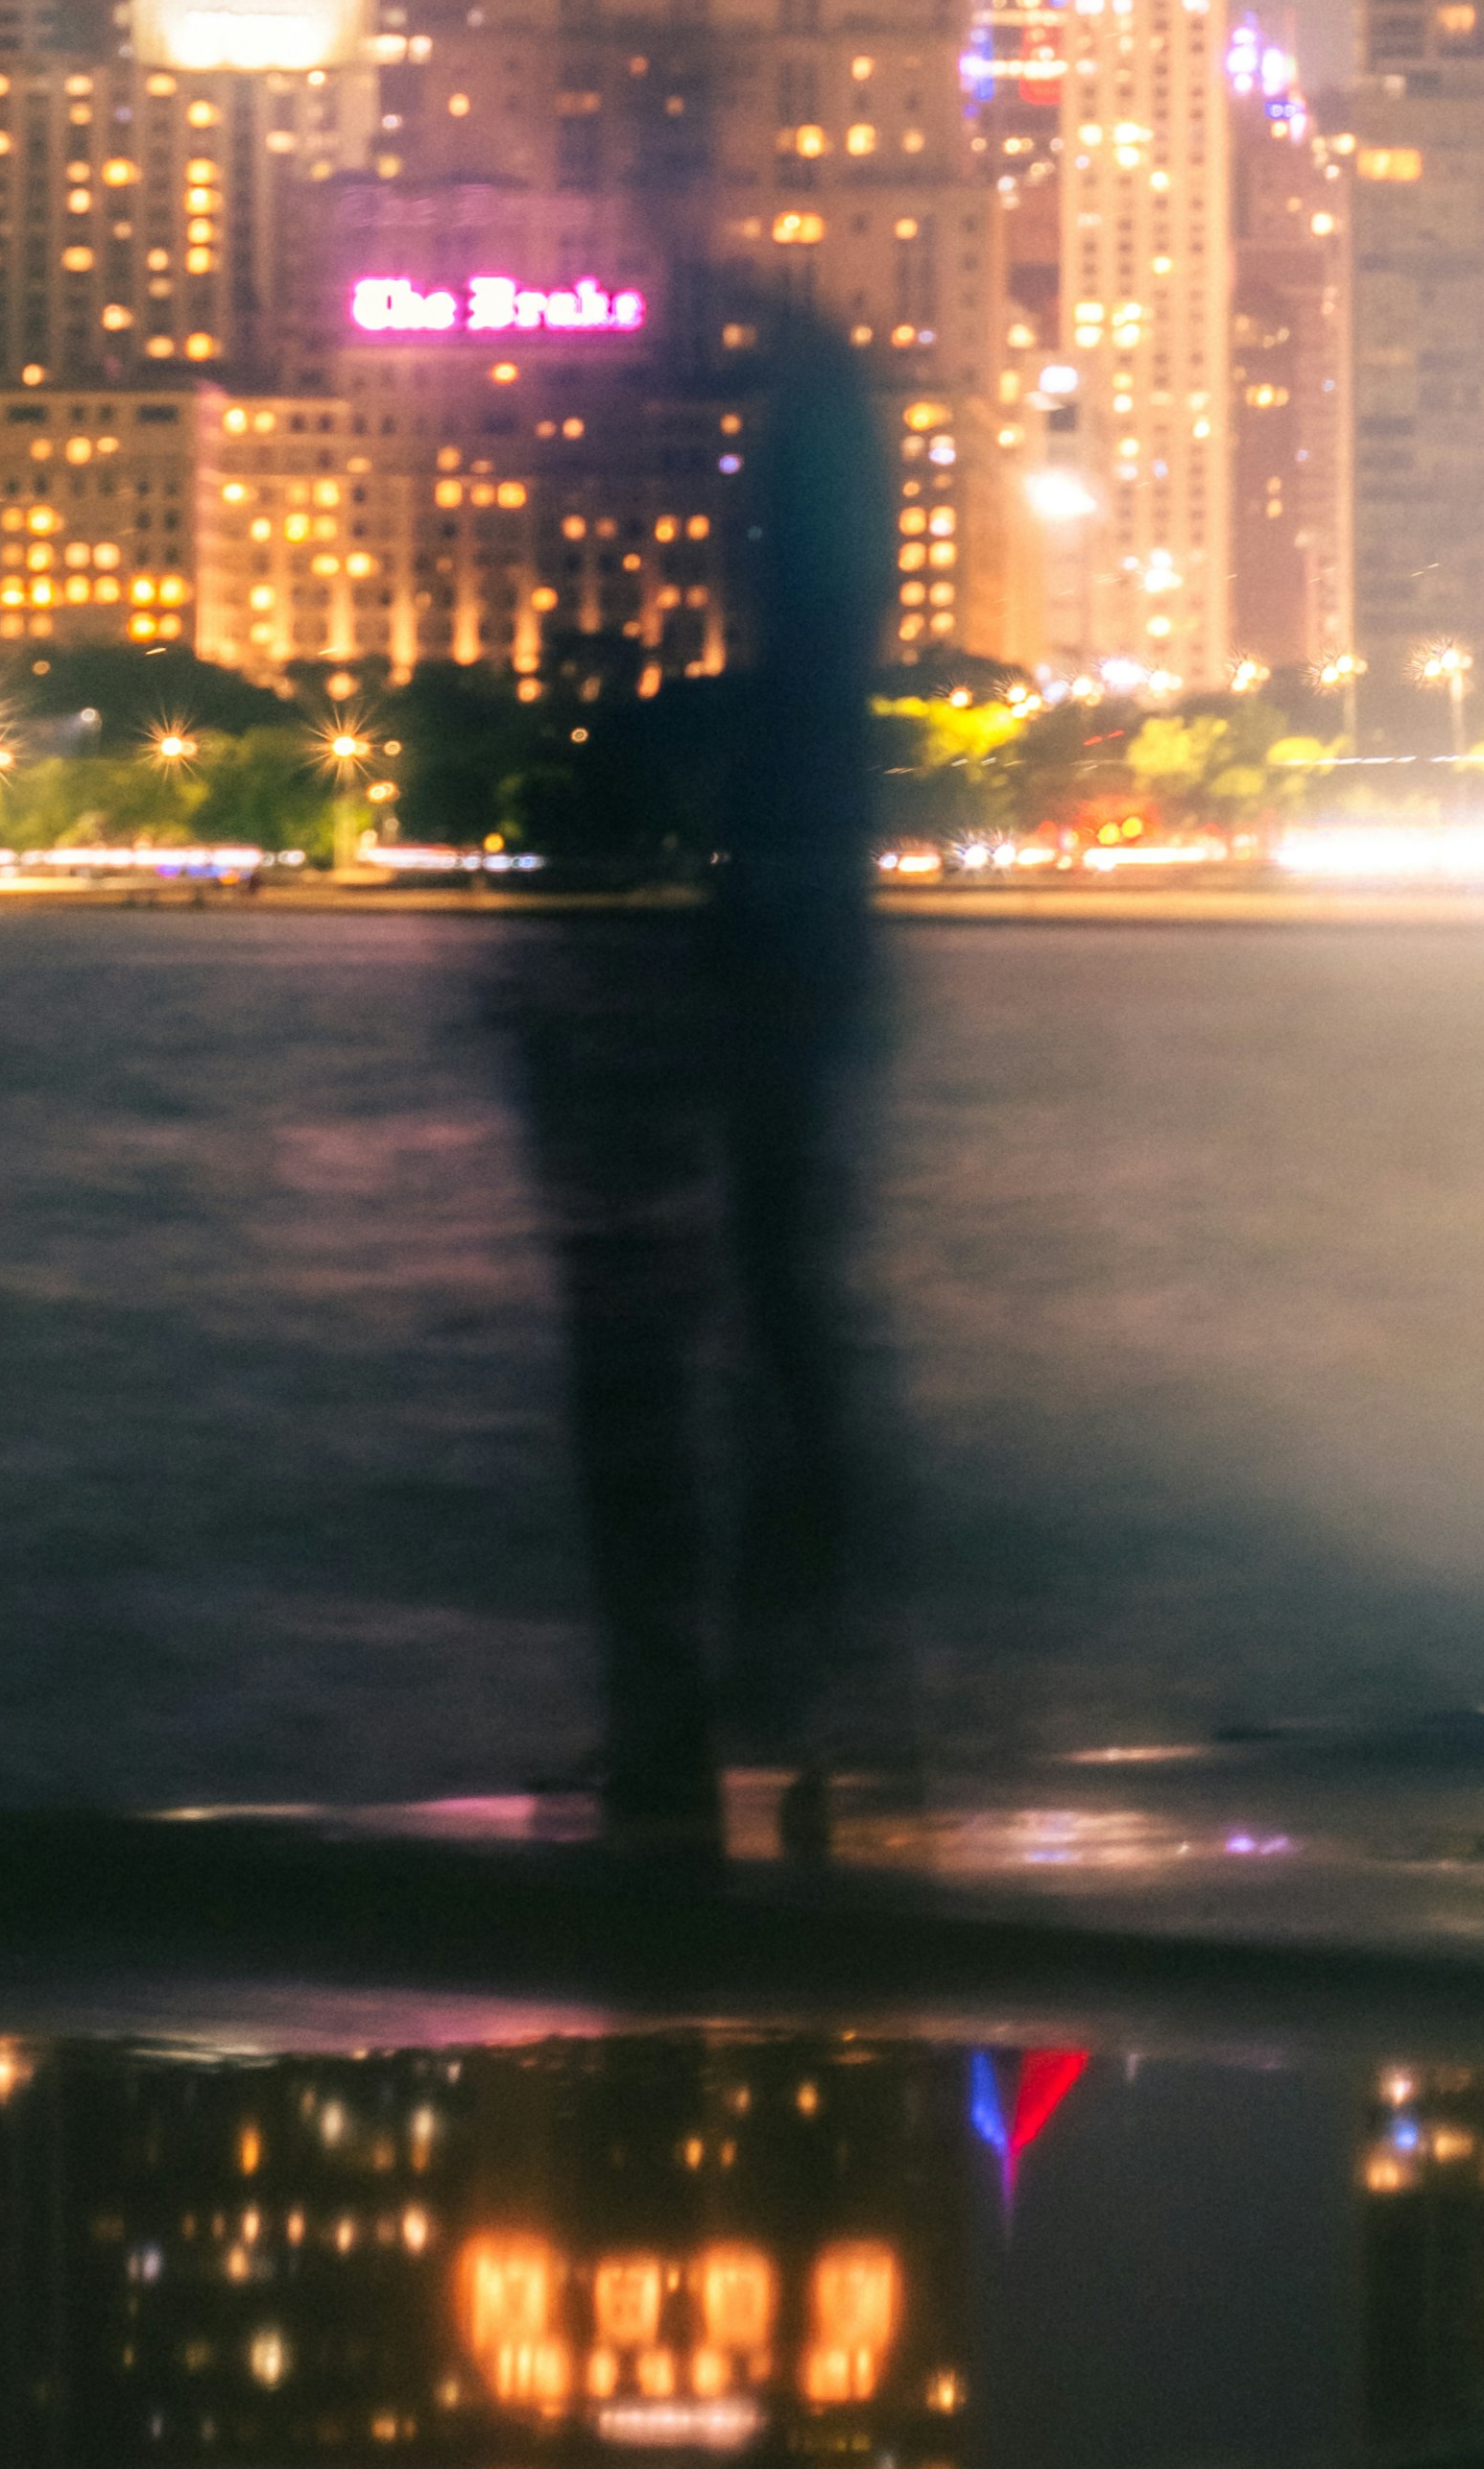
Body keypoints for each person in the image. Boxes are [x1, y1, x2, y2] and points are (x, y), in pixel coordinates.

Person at [494, 297, 903, 1857]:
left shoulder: (798, 677)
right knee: (780, 1344)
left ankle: (728, 1724)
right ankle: (804, 1714)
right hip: (769, 992)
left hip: (751, 995)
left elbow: (780, 677)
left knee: (693, 1359)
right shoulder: (816, 662)